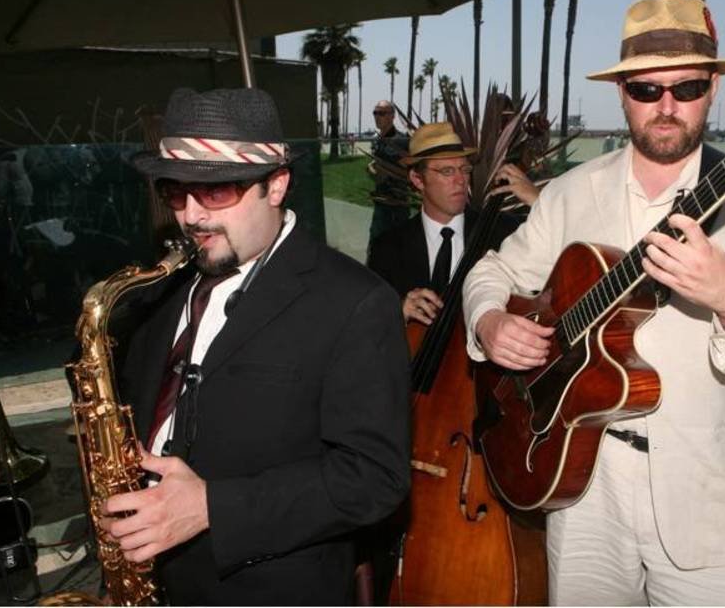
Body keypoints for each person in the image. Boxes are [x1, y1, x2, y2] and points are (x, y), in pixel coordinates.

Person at [463, 0, 725, 605]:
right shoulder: (572, 193)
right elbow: (492, 270)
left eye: (688, 88)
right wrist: (490, 319)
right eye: (648, 91)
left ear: (713, 89)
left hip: (707, 504)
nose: (668, 107)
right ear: (623, 93)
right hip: (580, 484)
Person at [100, 87, 411, 605]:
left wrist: (213, 508)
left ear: (277, 185)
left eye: (216, 192)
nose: (191, 217)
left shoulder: (355, 301)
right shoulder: (158, 290)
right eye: (176, 192)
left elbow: (375, 478)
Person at [367, 121, 537, 326]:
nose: (461, 180)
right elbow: (369, 326)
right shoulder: (386, 247)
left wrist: (539, 202)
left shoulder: (502, 230)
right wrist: (398, 312)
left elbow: (562, 257)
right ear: (418, 179)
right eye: (447, 171)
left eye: (464, 169)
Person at [367, 100, 412, 251]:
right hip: (381, 203)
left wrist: (373, 169)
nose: (377, 116)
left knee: (394, 250)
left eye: (382, 113)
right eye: (375, 113)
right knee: (376, 249)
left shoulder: (401, 141)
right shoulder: (379, 140)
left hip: (396, 207)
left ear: (392, 116)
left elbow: (405, 172)